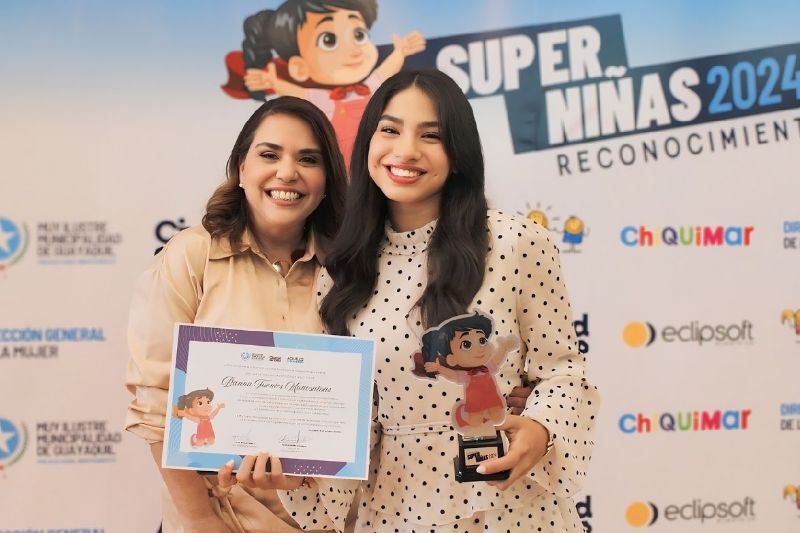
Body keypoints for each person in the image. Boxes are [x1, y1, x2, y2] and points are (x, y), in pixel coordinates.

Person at [225, 69, 600, 532]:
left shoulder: (516, 242)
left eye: (431, 136)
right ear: (367, 142)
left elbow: (563, 371)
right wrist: (297, 475)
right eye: (390, 130)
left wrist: (541, 429)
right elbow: (351, 427)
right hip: (396, 511)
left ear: (459, 153)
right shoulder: (342, 269)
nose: (405, 151)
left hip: (510, 510)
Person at [124, 95, 348, 533]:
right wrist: (200, 518)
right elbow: (155, 403)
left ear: (326, 181)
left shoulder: (350, 270)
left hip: (324, 519)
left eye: (308, 159)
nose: (288, 173)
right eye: (270, 155)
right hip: (219, 518)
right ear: (242, 168)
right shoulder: (192, 256)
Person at [221, 0, 425, 166]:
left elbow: (385, 71)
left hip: (376, 165)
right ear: (299, 67)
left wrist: (400, 52)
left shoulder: (370, 89)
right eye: (329, 40)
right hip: (343, 167)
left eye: (359, 35)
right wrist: (272, 82)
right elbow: (298, 93)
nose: (353, 49)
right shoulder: (323, 100)